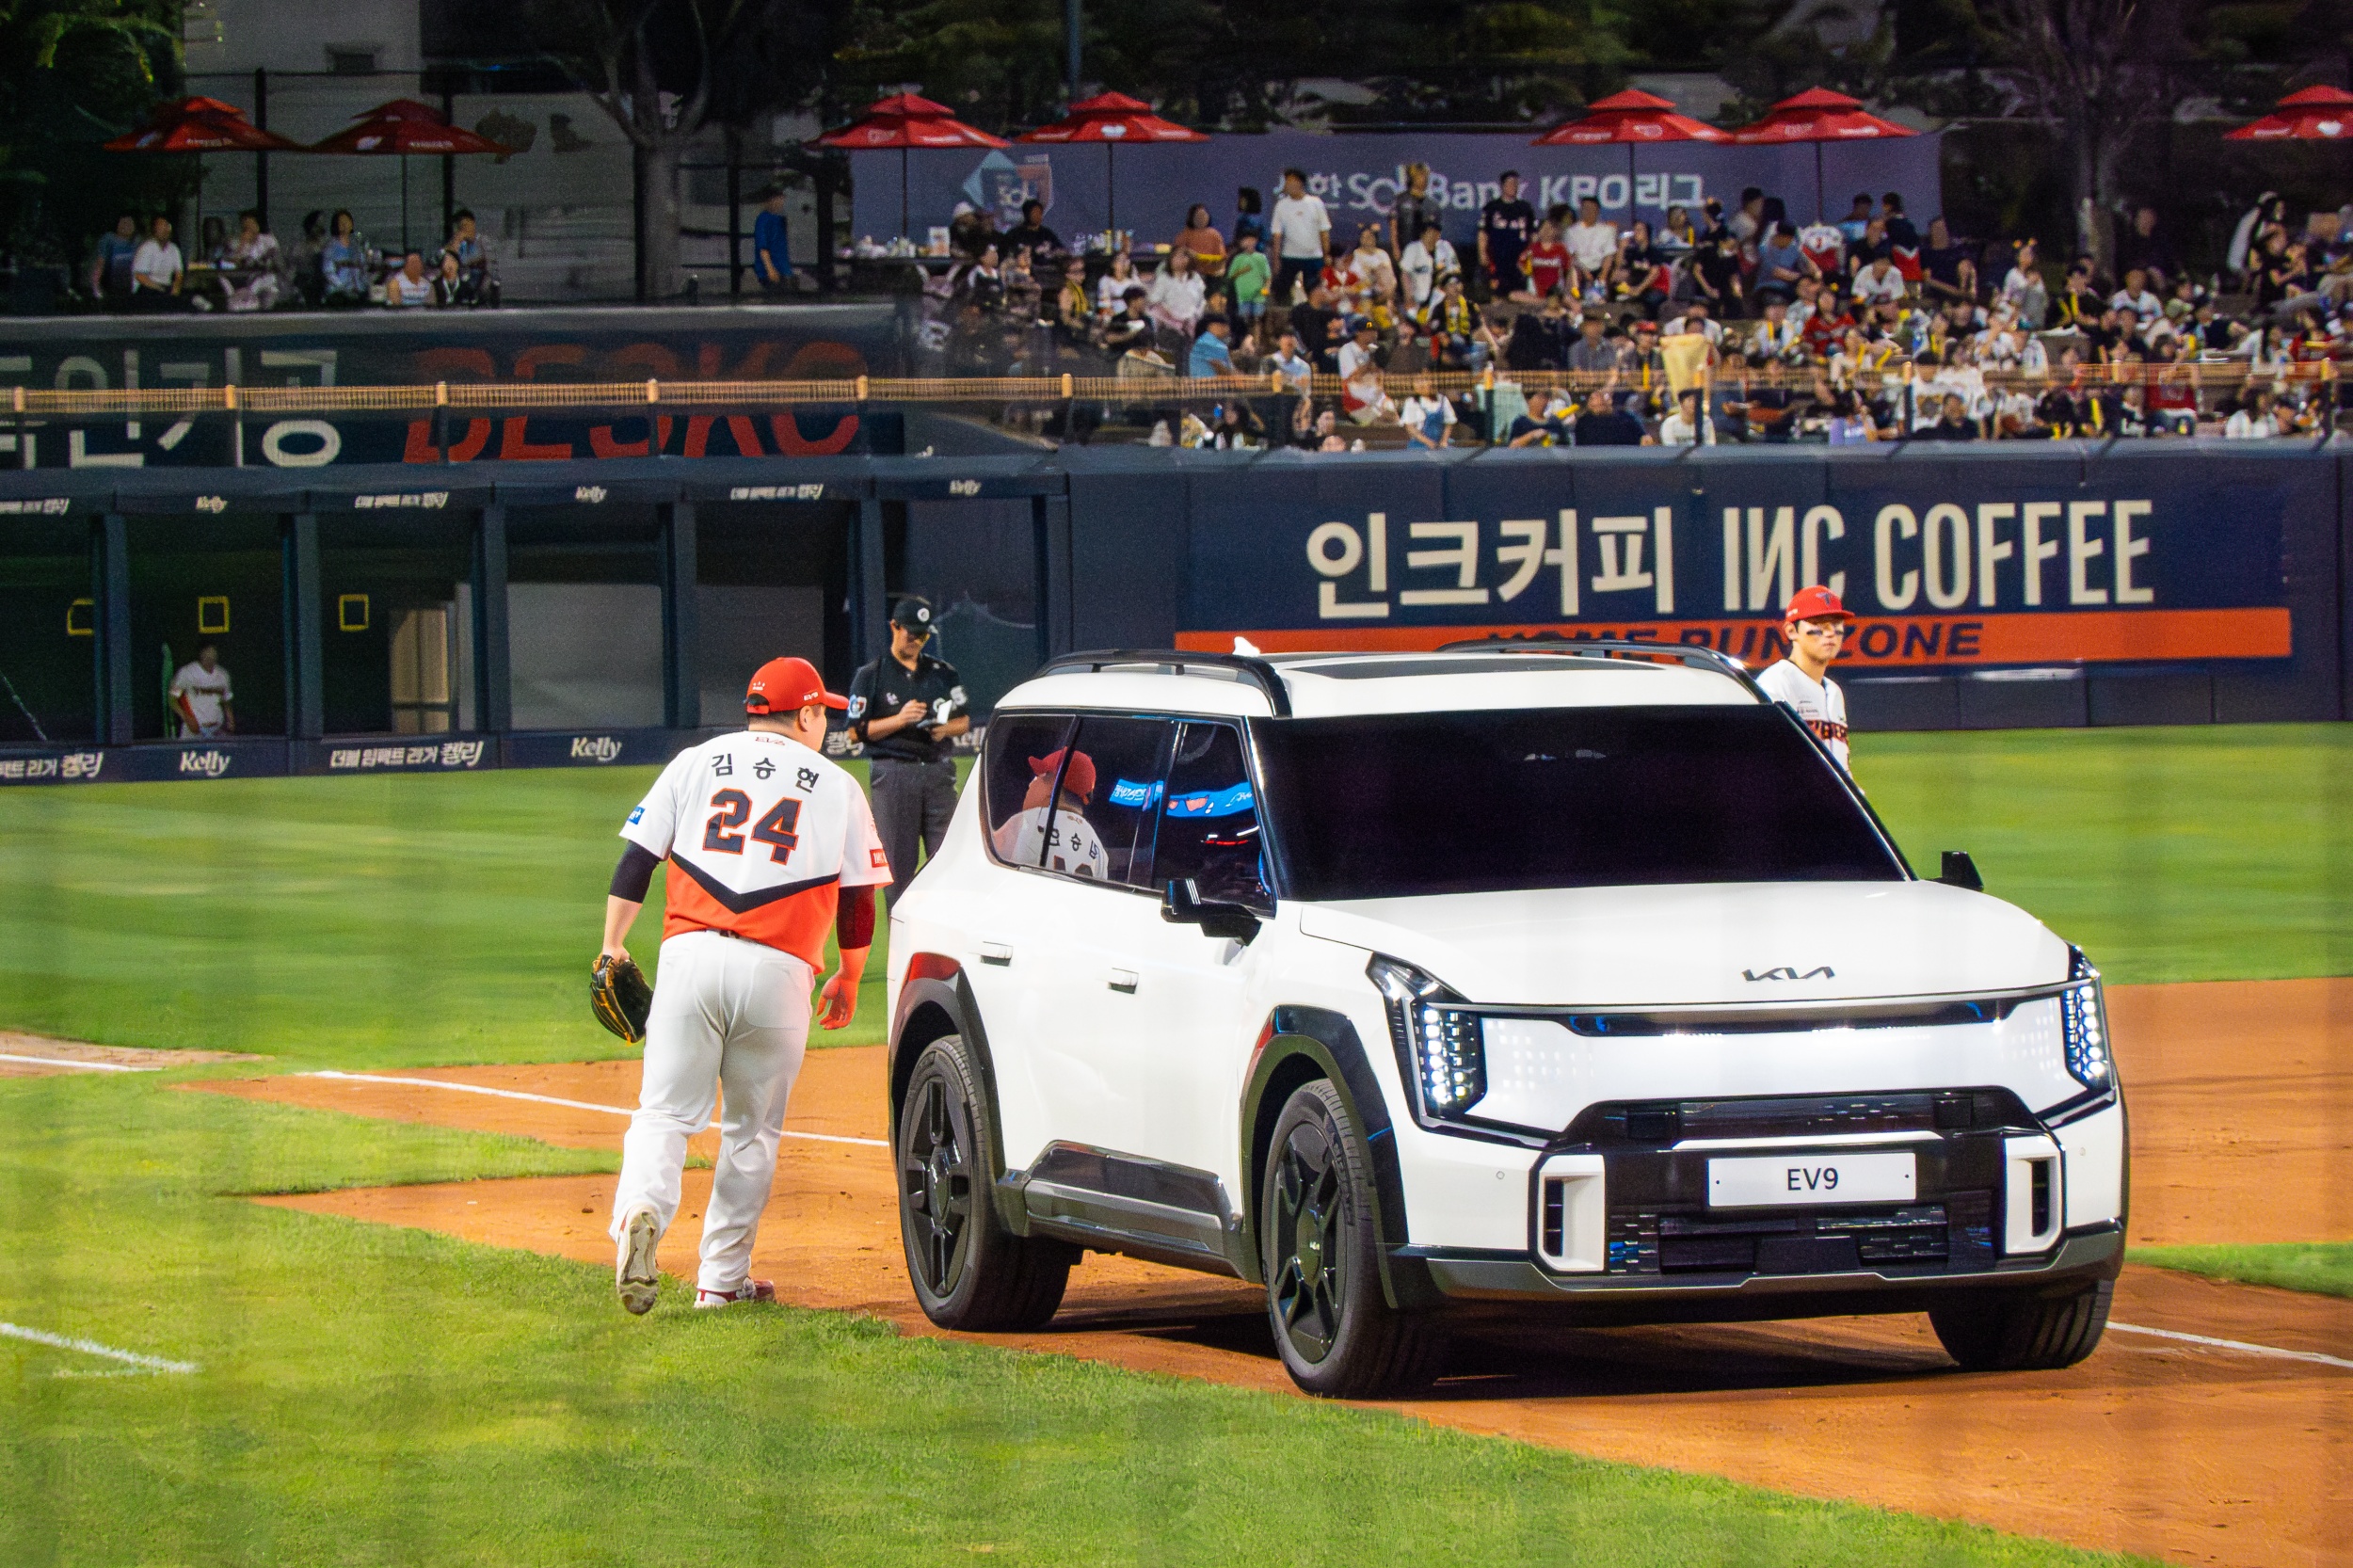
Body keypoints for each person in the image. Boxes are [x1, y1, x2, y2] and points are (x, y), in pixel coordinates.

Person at [603, 655, 889, 1314]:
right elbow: (858, 899)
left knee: (664, 1114)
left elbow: (635, 861)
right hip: (779, 972)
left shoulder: (695, 761)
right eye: (824, 713)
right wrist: (849, 975)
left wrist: (613, 945)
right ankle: (722, 1280)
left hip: (689, 959)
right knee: (751, 1133)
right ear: (808, 714)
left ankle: (642, 1211)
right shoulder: (838, 785)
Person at [847, 598, 969, 907]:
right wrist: (900, 720)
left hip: (938, 771)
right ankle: (901, 934)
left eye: (923, 634)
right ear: (895, 627)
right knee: (898, 869)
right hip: (894, 773)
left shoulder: (943, 672)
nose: (916, 640)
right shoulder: (871, 675)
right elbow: (855, 731)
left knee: (948, 862)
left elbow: (964, 721)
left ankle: (944, 933)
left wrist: (943, 729)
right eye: (911, 632)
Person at [1757, 585, 1853, 773]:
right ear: (1791, 631)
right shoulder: (1775, 684)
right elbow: (1768, 764)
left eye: (1836, 623)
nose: (1830, 632)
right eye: (1818, 623)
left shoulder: (1834, 691)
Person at [1269, 168, 1332, 307]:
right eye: (1286, 182)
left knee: (1314, 291)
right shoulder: (1281, 205)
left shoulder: (1316, 203)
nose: (1287, 185)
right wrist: (1276, 259)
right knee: (1280, 290)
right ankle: (1285, 316)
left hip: (1313, 257)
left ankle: (1314, 316)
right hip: (1290, 257)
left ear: (1300, 183)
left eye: (1290, 182)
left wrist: (1326, 254)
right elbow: (1277, 234)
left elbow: (1324, 230)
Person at [1479, 171, 1537, 298]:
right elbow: (1483, 232)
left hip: (1519, 259)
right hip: (1497, 258)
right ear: (1502, 186)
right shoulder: (1492, 207)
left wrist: (1531, 254)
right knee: (1496, 294)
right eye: (1510, 183)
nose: (1513, 186)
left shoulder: (1525, 208)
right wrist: (1482, 252)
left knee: (1518, 294)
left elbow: (1533, 234)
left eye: (1516, 184)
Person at [168, 645, 232, 736]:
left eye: (213, 653)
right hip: (194, 730)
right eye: (208, 652)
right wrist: (186, 718)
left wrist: (230, 720)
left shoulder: (223, 675)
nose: (211, 656)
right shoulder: (187, 672)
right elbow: (172, 699)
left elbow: (226, 701)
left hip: (216, 730)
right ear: (201, 654)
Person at [130, 216, 184, 309]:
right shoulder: (146, 248)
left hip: (166, 288)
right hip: (148, 290)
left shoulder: (174, 249)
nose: (164, 230)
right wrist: (160, 289)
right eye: (161, 227)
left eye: (166, 227)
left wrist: (176, 288)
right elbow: (140, 276)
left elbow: (179, 273)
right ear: (154, 230)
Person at [1225, 229, 1271, 336]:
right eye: (1247, 240)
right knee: (1244, 320)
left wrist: (1266, 288)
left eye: (1252, 239)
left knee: (1257, 319)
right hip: (1242, 296)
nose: (1249, 242)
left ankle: (1256, 341)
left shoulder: (1261, 258)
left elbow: (1267, 276)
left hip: (1258, 294)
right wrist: (1242, 271)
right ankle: (1246, 340)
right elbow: (1230, 276)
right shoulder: (1237, 258)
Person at [90, 214, 141, 306]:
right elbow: (100, 264)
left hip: (132, 288)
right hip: (110, 287)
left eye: (130, 223)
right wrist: (96, 288)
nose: (127, 226)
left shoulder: (137, 241)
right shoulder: (109, 240)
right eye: (124, 223)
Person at [753, 185, 794, 296]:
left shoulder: (779, 219)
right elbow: (763, 247)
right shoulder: (763, 220)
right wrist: (770, 269)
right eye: (779, 199)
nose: (781, 202)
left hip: (782, 269)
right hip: (771, 271)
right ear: (771, 200)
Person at [321, 210, 369, 304]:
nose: (344, 225)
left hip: (357, 292)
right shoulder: (331, 247)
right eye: (341, 222)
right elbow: (328, 271)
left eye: (347, 222)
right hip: (338, 294)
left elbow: (362, 267)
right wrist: (342, 287)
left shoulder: (356, 246)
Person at [1573, 388, 1647, 446]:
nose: (1596, 401)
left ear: (1610, 400)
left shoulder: (1627, 418)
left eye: (1600, 396)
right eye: (1592, 399)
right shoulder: (1584, 422)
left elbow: (1644, 439)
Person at [1398, 376, 1456, 448]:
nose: (1420, 386)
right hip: (1419, 446)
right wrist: (1429, 443)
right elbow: (1410, 428)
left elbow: (1449, 422)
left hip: (1440, 444)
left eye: (1423, 383)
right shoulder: (1411, 402)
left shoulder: (1442, 399)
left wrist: (1444, 440)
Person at [1174, 203, 1226, 279]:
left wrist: (1199, 257)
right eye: (1198, 215)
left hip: (1211, 275)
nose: (1202, 218)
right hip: (1190, 275)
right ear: (1192, 217)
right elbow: (1177, 257)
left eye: (1204, 215)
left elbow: (1221, 258)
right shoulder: (1184, 235)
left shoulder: (1215, 235)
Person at [1189, 312, 1237, 377]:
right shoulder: (1211, 344)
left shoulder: (1202, 341)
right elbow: (1221, 369)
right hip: (1209, 382)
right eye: (1225, 326)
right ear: (1214, 326)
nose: (1228, 330)